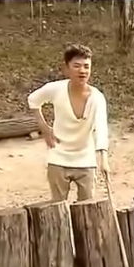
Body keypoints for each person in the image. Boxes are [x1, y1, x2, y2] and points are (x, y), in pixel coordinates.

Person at [28, 44, 109, 202]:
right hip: (58, 156)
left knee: (87, 206)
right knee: (58, 206)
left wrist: (103, 160)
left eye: (86, 66)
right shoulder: (56, 89)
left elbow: (101, 127)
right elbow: (33, 100)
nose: (82, 71)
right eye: (77, 66)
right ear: (66, 68)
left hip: (85, 159)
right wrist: (44, 127)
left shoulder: (97, 97)